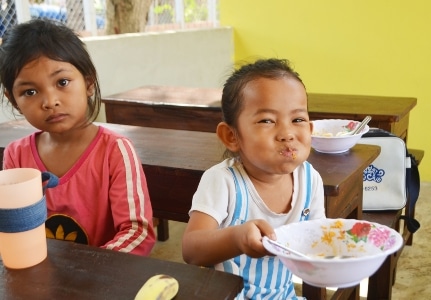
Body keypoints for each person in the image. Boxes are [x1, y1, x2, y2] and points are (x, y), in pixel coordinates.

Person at [0, 19, 156, 256]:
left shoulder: (115, 151)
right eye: (29, 92)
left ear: (89, 83)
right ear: (14, 101)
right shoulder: (16, 154)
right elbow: (12, 227)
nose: (49, 101)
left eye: (62, 82)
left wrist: (89, 271)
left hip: (101, 280)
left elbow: (138, 232)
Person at [182, 58, 326, 299]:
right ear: (231, 136)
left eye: (298, 119)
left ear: (310, 129)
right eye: (267, 120)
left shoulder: (310, 179)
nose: (287, 133)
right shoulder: (223, 181)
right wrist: (236, 239)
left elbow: (317, 237)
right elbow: (191, 249)